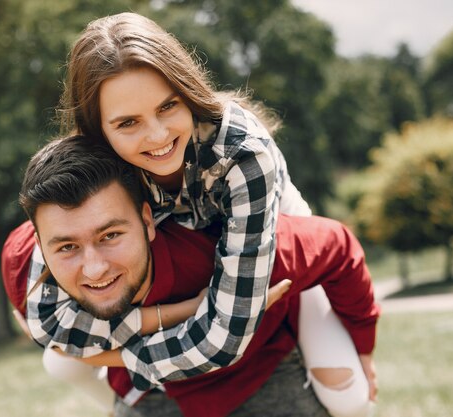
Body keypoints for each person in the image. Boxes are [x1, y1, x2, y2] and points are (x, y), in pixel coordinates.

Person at [24, 11, 377, 415]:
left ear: (187, 91)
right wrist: (182, 313)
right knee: (60, 363)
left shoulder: (244, 156)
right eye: (127, 123)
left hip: (264, 223)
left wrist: (124, 356)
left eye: (168, 106)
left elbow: (224, 338)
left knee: (347, 393)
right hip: (179, 256)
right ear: (98, 131)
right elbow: (47, 321)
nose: (157, 136)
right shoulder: (94, 167)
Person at [3, 135, 379, 417]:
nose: (95, 267)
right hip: (151, 393)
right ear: (41, 245)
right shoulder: (26, 272)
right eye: (66, 247)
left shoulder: (231, 249)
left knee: (347, 392)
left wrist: (363, 344)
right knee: (59, 361)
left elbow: (338, 245)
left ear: (147, 221)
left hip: (259, 368)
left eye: (111, 235)